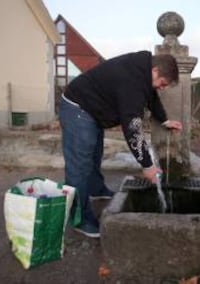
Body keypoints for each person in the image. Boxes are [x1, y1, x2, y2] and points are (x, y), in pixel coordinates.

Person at [59, 51, 182, 237]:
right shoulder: (132, 81)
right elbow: (133, 127)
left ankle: (96, 189)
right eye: (163, 83)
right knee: (79, 166)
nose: (162, 88)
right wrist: (147, 165)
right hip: (78, 107)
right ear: (155, 70)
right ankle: (80, 218)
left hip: (93, 109)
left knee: (93, 155)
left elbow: (152, 96)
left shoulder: (144, 69)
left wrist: (164, 120)